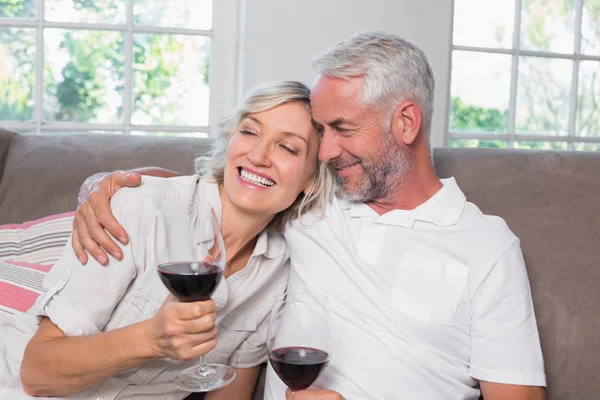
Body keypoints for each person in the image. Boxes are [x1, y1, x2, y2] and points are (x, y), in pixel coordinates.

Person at [72, 31, 547, 400]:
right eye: (320, 131)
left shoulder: (487, 246)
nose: (327, 149)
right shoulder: (312, 203)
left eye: (342, 128)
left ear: (405, 122)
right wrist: (112, 184)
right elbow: (223, 184)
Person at [0, 81, 335, 400]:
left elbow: (229, 392)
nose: (258, 156)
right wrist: (150, 339)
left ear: (312, 181)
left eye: (287, 147)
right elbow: (36, 371)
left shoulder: (277, 273)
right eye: (249, 131)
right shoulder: (139, 208)